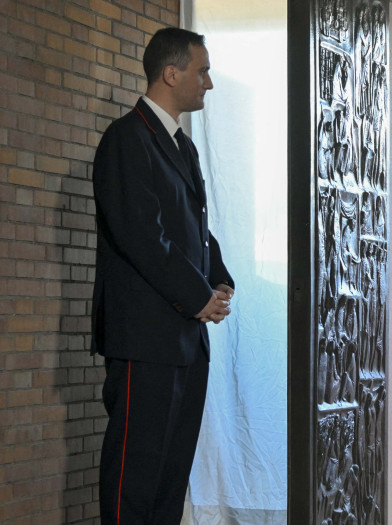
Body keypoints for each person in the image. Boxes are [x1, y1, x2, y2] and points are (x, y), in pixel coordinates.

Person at [90, 27, 235, 524]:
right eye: (203, 71)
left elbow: (195, 228)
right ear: (171, 73)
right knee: (137, 473)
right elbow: (142, 237)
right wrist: (198, 297)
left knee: (171, 472)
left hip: (184, 337)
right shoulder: (126, 139)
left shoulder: (181, 147)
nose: (208, 83)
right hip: (145, 337)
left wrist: (220, 280)